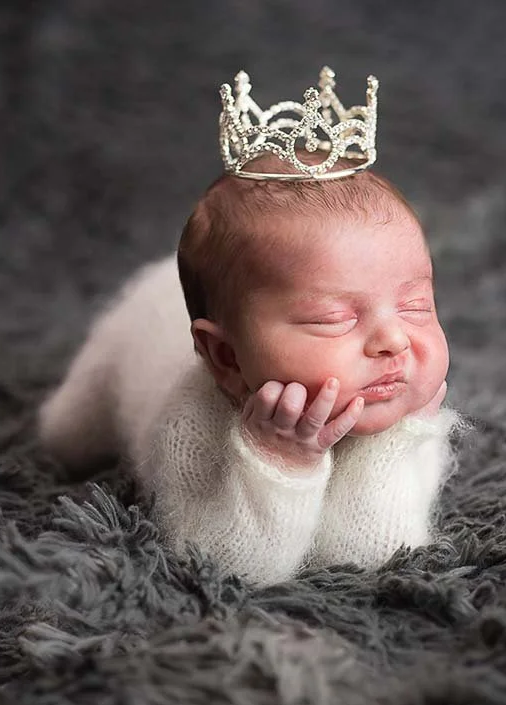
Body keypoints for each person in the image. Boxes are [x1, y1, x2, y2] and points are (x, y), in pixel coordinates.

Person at [38, 69, 469, 585]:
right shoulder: (191, 422)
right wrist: (279, 462)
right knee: (65, 440)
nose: (395, 340)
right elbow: (229, 568)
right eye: (335, 318)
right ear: (227, 359)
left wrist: (403, 436)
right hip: (139, 331)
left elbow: (373, 551)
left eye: (416, 305)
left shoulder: (394, 396)